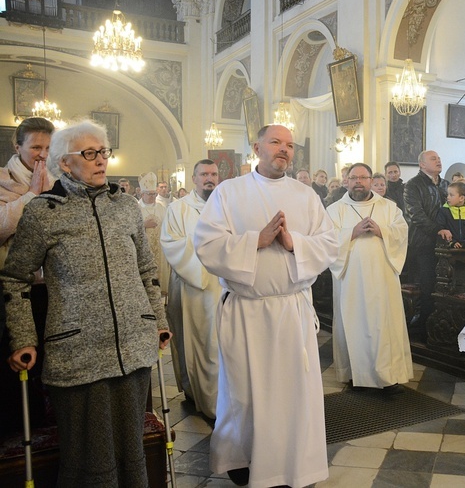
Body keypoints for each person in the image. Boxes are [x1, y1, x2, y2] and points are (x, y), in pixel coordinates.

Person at [4, 119, 170, 486]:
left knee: (132, 450)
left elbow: (146, 270)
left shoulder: (125, 207)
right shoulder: (44, 212)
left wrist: (157, 321)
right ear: (65, 163)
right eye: (90, 154)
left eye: (103, 152)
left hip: (132, 345)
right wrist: (23, 338)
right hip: (78, 350)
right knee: (88, 457)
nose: (101, 161)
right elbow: (14, 279)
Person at [193, 125, 337, 487]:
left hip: (292, 310)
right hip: (247, 311)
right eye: (276, 143)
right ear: (256, 148)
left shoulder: (306, 196)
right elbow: (207, 244)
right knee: (245, 393)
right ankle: (245, 460)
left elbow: (329, 244)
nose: (284, 150)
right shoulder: (229, 192)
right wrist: (255, 241)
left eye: (289, 145)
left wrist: (294, 244)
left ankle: (295, 466)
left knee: (294, 395)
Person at [326, 162, 413, 391]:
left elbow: (402, 232)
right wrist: (351, 233)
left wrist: (382, 231)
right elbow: (326, 241)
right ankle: (356, 374)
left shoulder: (388, 207)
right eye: (354, 178)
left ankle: (388, 376)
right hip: (350, 280)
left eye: (363, 178)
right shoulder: (334, 210)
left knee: (384, 325)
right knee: (354, 324)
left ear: (370, 181)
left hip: (382, 278)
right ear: (347, 181)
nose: (358, 182)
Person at [0, 117, 55, 436]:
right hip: (13, 290)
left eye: (48, 148)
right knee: (19, 364)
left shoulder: (58, 181)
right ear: (17, 146)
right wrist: (32, 195)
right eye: (36, 147)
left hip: (50, 288)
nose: (42, 155)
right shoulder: (4, 180)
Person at [160, 159, 222, 419]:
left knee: (220, 344)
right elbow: (171, 244)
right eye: (204, 174)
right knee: (193, 340)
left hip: (222, 285)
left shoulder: (227, 204)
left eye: (214, 174)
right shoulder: (178, 208)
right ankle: (194, 393)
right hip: (190, 285)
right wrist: (206, 247)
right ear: (194, 178)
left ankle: (223, 400)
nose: (210, 178)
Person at [403, 150, 448, 342]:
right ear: (421, 164)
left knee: (445, 286)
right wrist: (437, 230)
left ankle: (442, 326)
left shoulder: (446, 184)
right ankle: (423, 328)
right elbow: (416, 214)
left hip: (446, 245)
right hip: (422, 244)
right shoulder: (413, 185)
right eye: (433, 159)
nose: (438, 160)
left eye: (439, 158)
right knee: (427, 286)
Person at [138, 172, 170, 296]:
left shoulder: (161, 208)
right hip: (144, 251)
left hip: (160, 250)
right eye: (149, 194)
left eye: (154, 194)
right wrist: (143, 225)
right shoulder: (136, 208)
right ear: (142, 193)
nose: (152, 197)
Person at [437, 181, 465, 248]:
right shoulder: (444, 211)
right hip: (448, 250)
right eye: (448, 194)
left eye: (451, 195)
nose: (448, 197)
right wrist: (452, 242)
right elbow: (440, 229)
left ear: (461, 198)